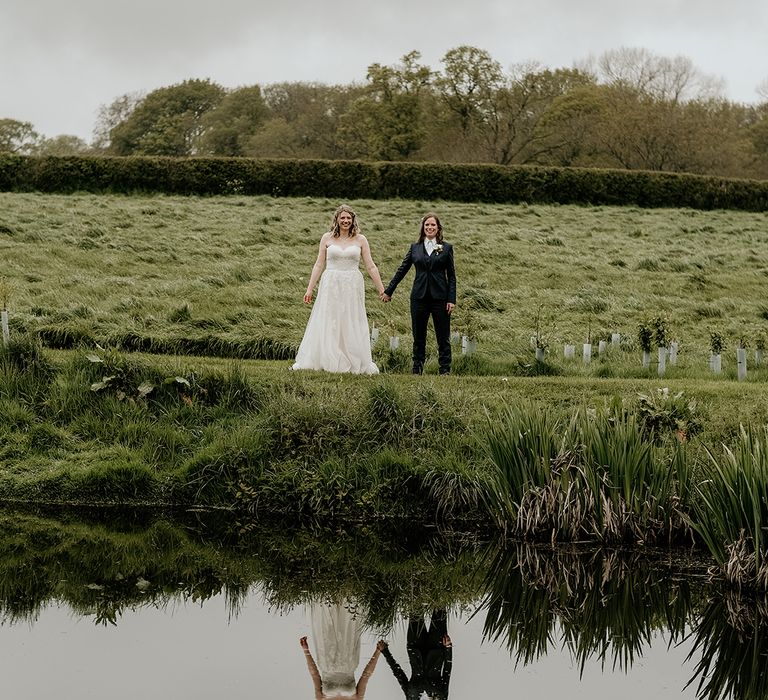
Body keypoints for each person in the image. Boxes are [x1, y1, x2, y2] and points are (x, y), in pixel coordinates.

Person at [292, 204, 385, 374]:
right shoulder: (326, 238)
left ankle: (352, 358)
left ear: (353, 220)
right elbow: (319, 264)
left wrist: (381, 289)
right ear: (337, 219)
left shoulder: (361, 239)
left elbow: (370, 266)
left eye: (348, 218)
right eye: (342, 218)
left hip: (352, 284)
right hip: (331, 283)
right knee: (330, 319)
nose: (345, 221)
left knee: (351, 318)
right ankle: (328, 357)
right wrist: (309, 289)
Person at [382, 214, 456, 375]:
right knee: (418, 335)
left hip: (440, 298)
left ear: (438, 228)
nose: (430, 228)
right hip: (418, 297)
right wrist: (389, 290)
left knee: (443, 336)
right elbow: (402, 269)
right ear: (423, 228)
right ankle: (417, 368)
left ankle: (445, 370)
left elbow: (451, 276)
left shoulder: (447, 248)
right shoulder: (415, 248)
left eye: (433, 225)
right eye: (427, 225)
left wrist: (451, 299)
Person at [300, 599, 385, 700]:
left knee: (327, 626)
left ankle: (325, 595)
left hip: (327, 659)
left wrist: (306, 651)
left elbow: (314, 675)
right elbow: (366, 675)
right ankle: (348, 594)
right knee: (347, 624)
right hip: (348, 658)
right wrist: (378, 652)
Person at [379, 609, 452, 700]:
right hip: (436, 649)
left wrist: (385, 652)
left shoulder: (411, 698)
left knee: (415, 607)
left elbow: (398, 673)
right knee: (439, 608)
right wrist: (448, 648)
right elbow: (447, 671)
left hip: (415, 646)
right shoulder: (442, 698)